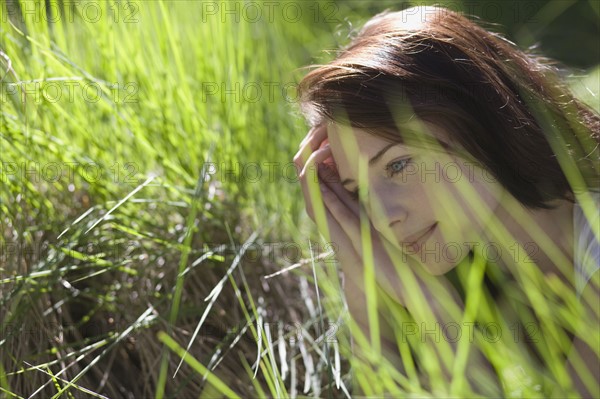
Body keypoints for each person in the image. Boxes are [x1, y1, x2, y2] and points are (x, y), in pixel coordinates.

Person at [293, 6, 599, 398]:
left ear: (478, 116)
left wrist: (442, 326)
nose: (384, 217)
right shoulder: (482, 283)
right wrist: (360, 279)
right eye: (358, 192)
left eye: (398, 164)